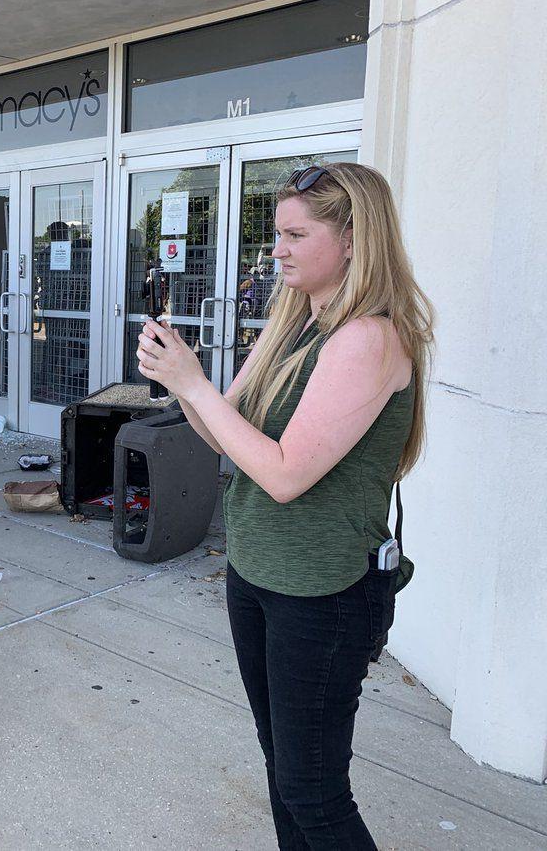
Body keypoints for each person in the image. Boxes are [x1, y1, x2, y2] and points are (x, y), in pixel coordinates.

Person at [135, 162, 433, 849]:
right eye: (278, 235)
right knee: (284, 771)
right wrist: (183, 382)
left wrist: (194, 385)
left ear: (355, 237)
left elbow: (286, 474)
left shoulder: (368, 337)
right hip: (259, 574)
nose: (279, 250)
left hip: (321, 594)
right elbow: (223, 436)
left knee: (313, 790)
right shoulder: (293, 326)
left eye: (298, 234)